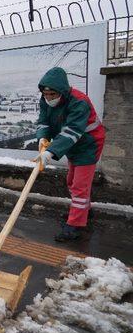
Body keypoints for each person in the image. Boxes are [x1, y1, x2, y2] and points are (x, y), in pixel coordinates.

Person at [36, 67, 105, 242]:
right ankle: (85, 210)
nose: (49, 98)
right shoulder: (45, 100)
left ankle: (74, 226)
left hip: (89, 144)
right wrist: (43, 139)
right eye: (46, 94)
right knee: (72, 181)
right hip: (71, 145)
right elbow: (43, 122)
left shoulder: (78, 101)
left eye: (52, 94)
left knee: (80, 186)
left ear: (62, 91)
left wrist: (52, 151)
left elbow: (72, 130)